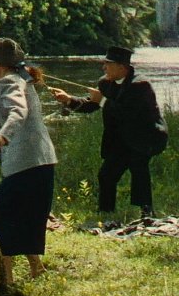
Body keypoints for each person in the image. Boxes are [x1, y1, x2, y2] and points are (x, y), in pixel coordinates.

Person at [48, 46, 168, 220]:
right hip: (121, 139)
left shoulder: (140, 85)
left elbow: (129, 113)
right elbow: (91, 105)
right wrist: (68, 100)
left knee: (139, 169)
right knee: (106, 175)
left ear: (122, 67)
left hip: (146, 136)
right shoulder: (105, 82)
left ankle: (147, 212)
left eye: (108, 64)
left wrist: (103, 100)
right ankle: (106, 212)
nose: (103, 67)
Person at [0, 37, 57, 285]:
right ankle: (36, 268)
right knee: (25, 214)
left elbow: (18, 111)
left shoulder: (9, 81)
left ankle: (7, 281)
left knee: (0, 219)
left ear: (0, 64)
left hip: (26, 162)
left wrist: (3, 135)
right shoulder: (18, 79)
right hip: (40, 160)